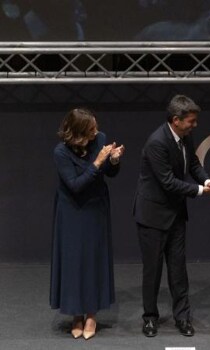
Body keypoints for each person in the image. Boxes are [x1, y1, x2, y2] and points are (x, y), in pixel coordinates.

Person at [133, 94, 210, 338]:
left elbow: (193, 164)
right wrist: (204, 190)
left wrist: (207, 179)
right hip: (152, 216)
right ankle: (150, 318)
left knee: (178, 269)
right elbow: (168, 182)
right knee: (152, 271)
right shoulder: (157, 143)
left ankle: (182, 317)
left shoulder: (185, 136)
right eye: (191, 121)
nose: (195, 125)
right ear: (176, 120)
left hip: (175, 216)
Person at [50, 108, 125, 340]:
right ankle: (76, 314)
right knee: (73, 261)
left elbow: (110, 173)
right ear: (79, 133)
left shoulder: (100, 140)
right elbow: (74, 185)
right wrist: (98, 162)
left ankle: (91, 314)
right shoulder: (61, 152)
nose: (97, 132)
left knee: (93, 260)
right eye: (91, 129)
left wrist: (112, 161)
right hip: (72, 210)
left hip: (96, 208)